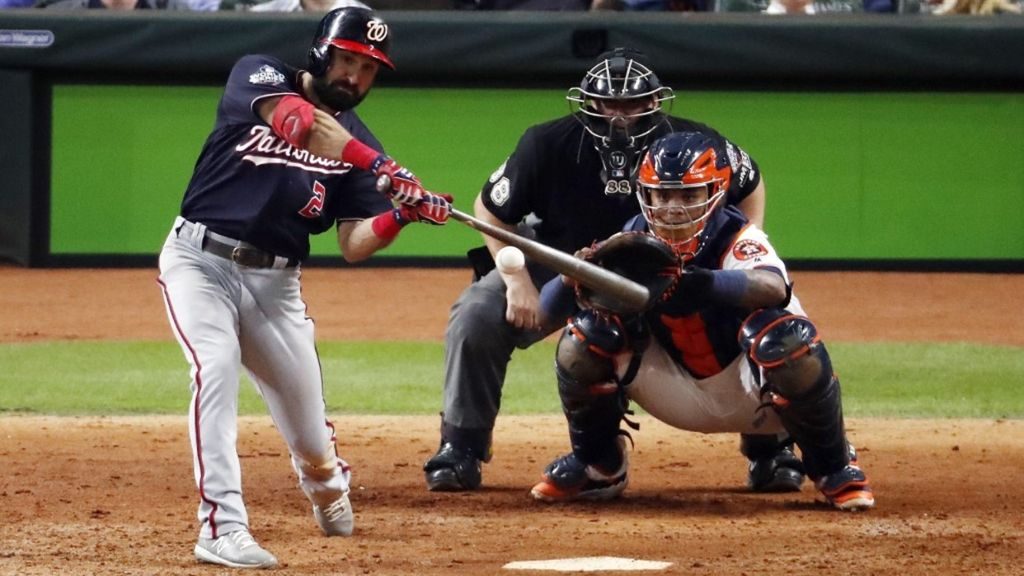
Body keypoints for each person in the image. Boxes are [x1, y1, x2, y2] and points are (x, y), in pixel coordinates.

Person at [423, 47, 795, 496]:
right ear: (589, 102)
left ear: (655, 102)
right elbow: (491, 207)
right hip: (563, 261)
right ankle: (461, 447)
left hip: (665, 267)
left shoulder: (690, 142)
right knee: (478, 314)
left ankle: (770, 450)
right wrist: (516, 279)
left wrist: (742, 243)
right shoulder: (547, 142)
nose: (621, 116)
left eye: (634, 104)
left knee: (748, 309)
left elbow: (749, 182)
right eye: (610, 104)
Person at [157, 6, 452, 570]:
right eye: (348, 61)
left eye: (369, 70)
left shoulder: (360, 144)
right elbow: (300, 122)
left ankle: (324, 480)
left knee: (313, 439)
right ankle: (221, 527)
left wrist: (400, 214)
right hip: (200, 261)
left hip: (276, 287)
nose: (356, 78)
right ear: (321, 50)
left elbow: (353, 243)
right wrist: (382, 165)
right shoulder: (260, 75)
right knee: (214, 367)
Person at [529, 131, 874, 511]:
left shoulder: (736, 235)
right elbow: (547, 314)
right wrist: (573, 274)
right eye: (662, 195)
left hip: (756, 396)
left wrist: (702, 283)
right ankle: (598, 464)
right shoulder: (631, 241)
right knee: (585, 337)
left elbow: (772, 286)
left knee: (786, 340)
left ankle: (834, 467)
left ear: (717, 191)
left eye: (688, 195)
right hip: (676, 393)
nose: (673, 208)